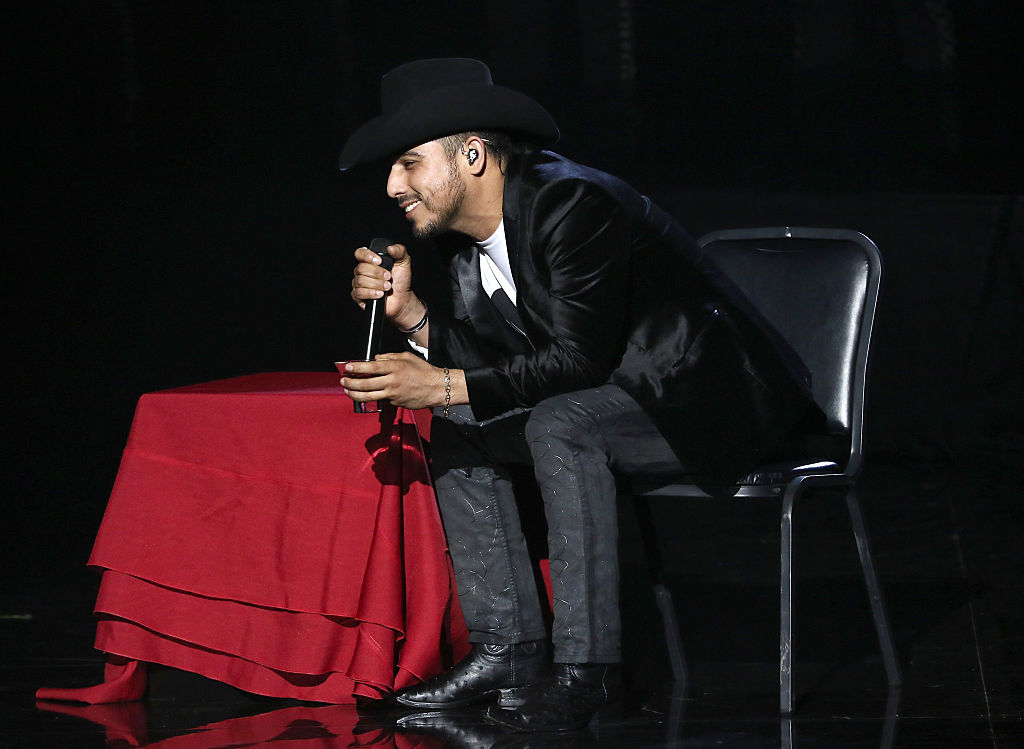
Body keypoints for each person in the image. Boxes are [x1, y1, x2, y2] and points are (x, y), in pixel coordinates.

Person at [339, 58, 822, 732]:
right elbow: (503, 368)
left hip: (705, 399)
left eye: (409, 163)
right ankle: (507, 649)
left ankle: (587, 671)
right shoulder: (461, 243)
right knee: (459, 418)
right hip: (611, 397)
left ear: (472, 155)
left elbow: (576, 360)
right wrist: (414, 316)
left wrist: (444, 381)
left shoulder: (571, 201)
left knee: (559, 422)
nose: (393, 186)